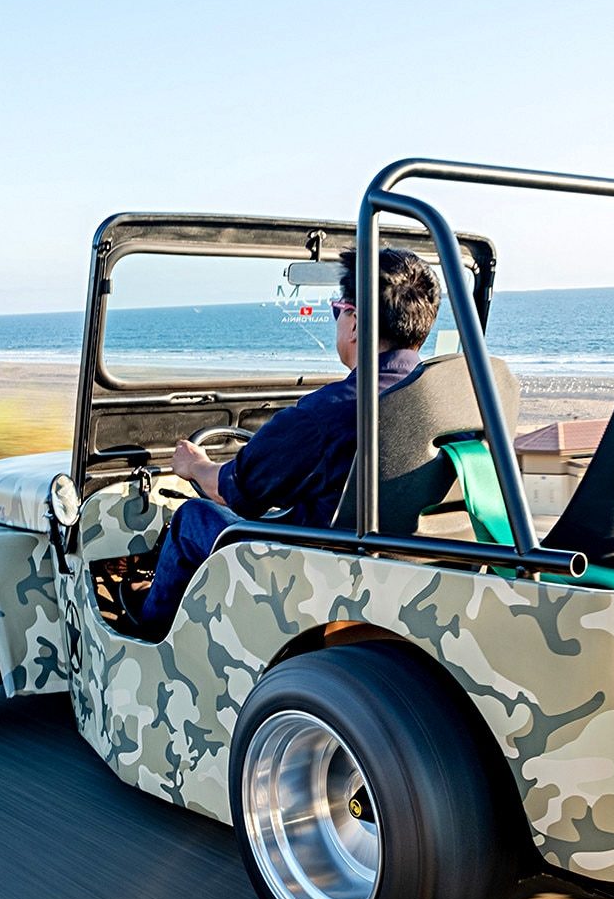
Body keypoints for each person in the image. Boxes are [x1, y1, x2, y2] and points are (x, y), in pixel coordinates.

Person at [135, 246, 442, 630]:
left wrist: (194, 465)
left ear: (355, 321)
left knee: (192, 519)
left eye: (337, 310)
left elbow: (233, 491)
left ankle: (148, 638)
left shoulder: (325, 414)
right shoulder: (444, 401)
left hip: (316, 575)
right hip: (408, 572)